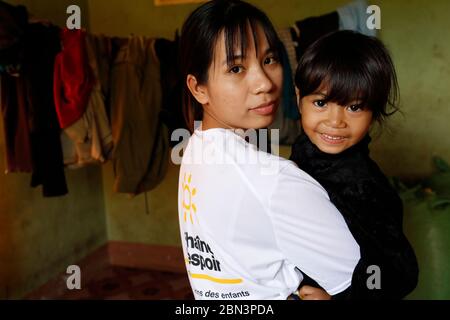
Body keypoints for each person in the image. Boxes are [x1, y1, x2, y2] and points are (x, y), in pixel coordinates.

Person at [177, 0, 360, 300]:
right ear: (199, 88)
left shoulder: (196, 148)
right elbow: (363, 281)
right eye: (236, 68)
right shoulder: (276, 180)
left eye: (270, 59)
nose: (265, 82)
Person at [290, 30, 419, 299]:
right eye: (321, 102)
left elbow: (399, 272)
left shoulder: (363, 187)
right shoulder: (301, 156)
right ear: (299, 98)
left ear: (374, 111)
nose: (335, 121)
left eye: (355, 107)